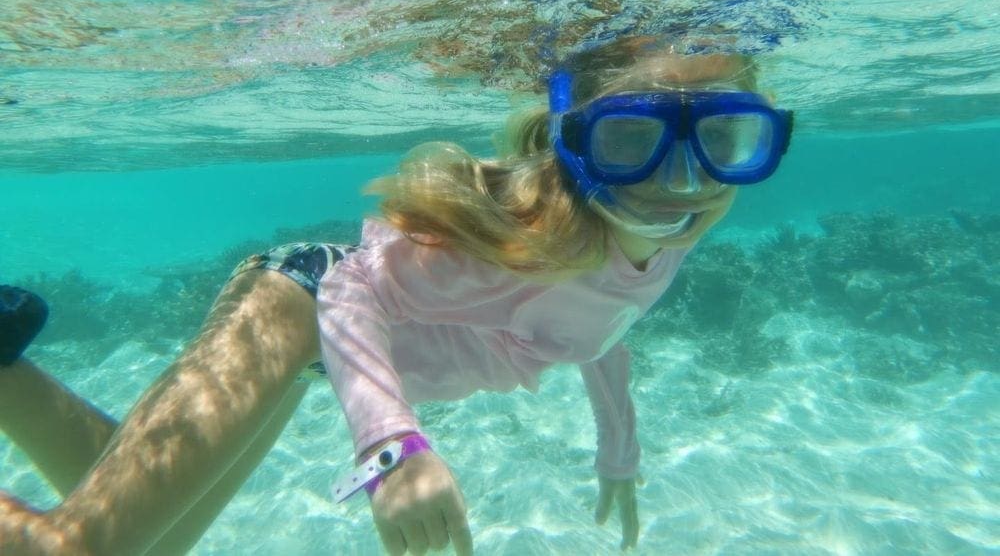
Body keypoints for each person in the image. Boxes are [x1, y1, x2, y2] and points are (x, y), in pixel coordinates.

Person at [0, 35, 793, 555]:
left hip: (321, 357)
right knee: (72, 550)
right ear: (574, 145)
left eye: (724, 141)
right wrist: (394, 450)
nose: (682, 181)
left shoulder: (667, 239)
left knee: (136, 530)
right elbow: (348, 289)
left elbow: (605, 329)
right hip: (301, 302)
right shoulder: (529, 245)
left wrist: (620, 453)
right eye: (632, 140)